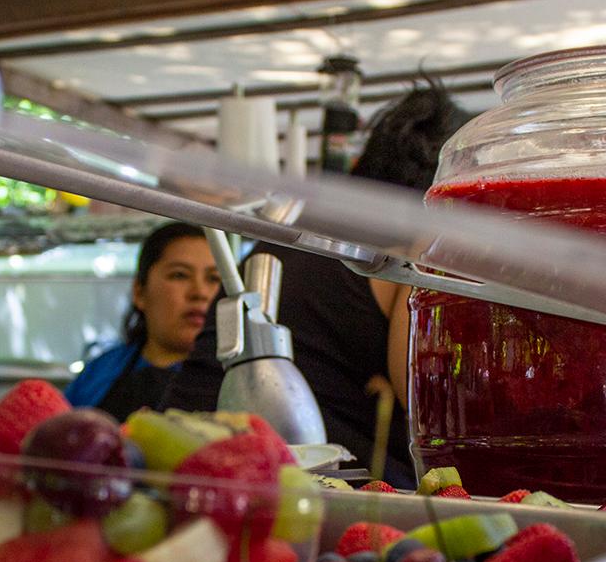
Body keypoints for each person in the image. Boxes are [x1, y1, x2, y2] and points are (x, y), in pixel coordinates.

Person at [162, 82, 469, 487]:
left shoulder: (302, 234)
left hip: (180, 454)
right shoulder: (427, 237)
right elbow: (428, 396)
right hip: (299, 481)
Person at [66, 221, 220, 421]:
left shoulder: (235, 381)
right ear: (139, 293)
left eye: (214, 278)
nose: (200, 292)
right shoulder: (102, 370)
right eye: (179, 275)